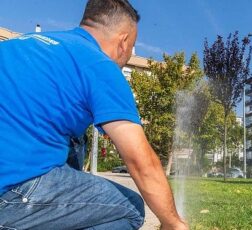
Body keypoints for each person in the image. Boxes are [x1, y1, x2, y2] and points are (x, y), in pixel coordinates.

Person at [0, 0, 187, 229]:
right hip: (11, 192)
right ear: (124, 41)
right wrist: (173, 223)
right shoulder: (99, 64)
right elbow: (141, 162)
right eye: (132, 46)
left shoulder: (21, 43)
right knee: (130, 209)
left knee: (76, 138)